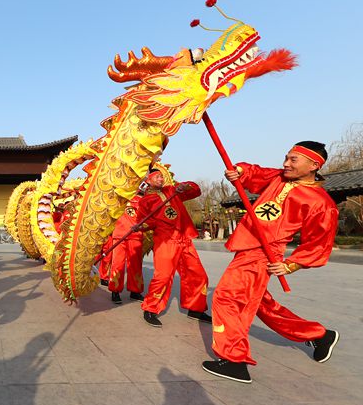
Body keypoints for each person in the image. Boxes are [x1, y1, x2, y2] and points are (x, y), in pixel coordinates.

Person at [202, 141, 340, 383]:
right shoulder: (280, 178)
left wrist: (291, 264)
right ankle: (318, 335)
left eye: (293, 160)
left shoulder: (321, 203)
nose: (286, 163)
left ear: (314, 165)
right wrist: (240, 172)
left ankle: (234, 361)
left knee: (227, 298)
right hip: (250, 247)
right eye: (286, 157)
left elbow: (319, 242)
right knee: (259, 304)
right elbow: (256, 173)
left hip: (262, 253)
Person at [134, 169, 211, 327]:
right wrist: (140, 226)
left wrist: (186, 186)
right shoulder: (145, 201)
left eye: (162, 176)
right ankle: (150, 308)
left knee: (198, 275)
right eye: (157, 176)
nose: (161, 179)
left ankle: (196, 308)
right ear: (148, 180)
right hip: (165, 240)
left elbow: (195, 190)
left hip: (184, 238)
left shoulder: (172, 190)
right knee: (163, 276)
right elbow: (147, 223)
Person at [107, 194, 145, 304]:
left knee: (135, 264)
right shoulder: (117, 197)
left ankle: (135, 291)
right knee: (117, 263)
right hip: (119, 235)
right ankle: (115, 290)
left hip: (136, 235)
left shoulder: (142, 199)